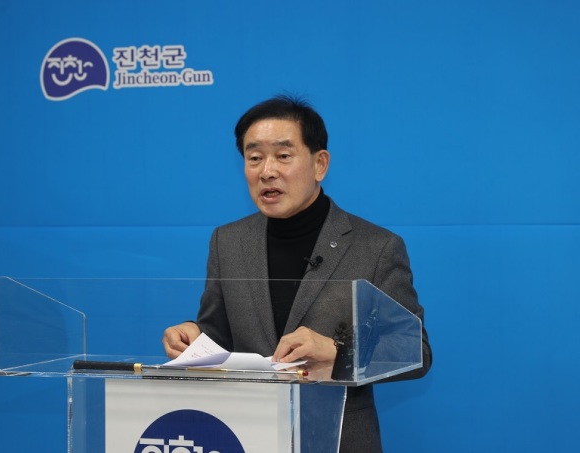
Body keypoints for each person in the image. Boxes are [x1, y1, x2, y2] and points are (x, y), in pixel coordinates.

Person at [163, 95, 432, 452]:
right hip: (245, 436)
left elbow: (414, 351)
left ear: (320, 164)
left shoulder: (376, 247)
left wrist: (339, 352)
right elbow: (219, 335)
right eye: (254, 158)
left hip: (338, 440)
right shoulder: (227, 242)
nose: (267, 171)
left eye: (283, 155)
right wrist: (194, 338)